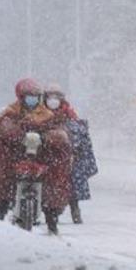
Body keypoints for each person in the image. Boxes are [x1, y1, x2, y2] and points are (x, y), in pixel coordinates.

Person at [0, 78, 73, 234]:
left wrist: (45, 138)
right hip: (16, 158)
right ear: (21, 97)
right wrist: (19, 137)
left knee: (54, 187)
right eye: (29, 96)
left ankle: (52, 222)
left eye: (36, 96)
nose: (32, 100)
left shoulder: (48, 115)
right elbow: (1, 130)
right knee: (5, 184)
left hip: (42, 159)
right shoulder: (10, 113)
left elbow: (61, 133)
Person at [44, 84, 98, 224]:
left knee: (71, 179)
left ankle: (75, 209)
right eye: (50, 97)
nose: (53, 100)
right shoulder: (40, 113)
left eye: (56, 97)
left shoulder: (68, 113)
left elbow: (78, 132)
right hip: (46, 154)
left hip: (65, 154)